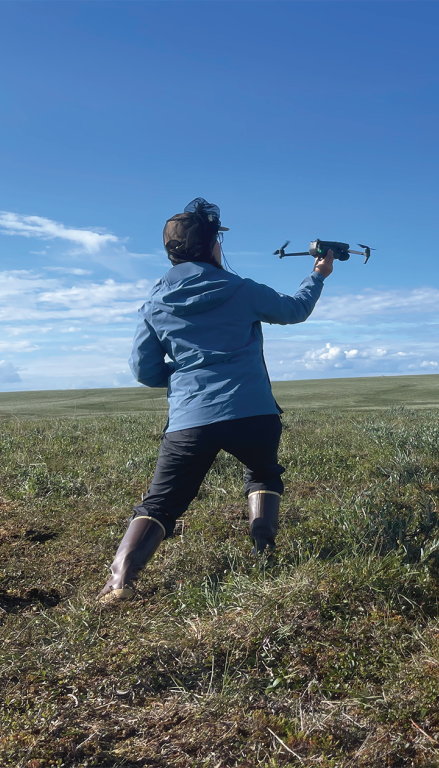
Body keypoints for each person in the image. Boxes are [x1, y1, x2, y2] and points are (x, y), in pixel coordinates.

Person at [98, 198, 333, 602]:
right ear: (211, 246)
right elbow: (295, 310)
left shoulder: (154, 302)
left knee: (161, 502)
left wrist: (185, 374)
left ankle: (119, 583)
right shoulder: (241, 289)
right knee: (262, 473)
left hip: (191, 417)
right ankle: (264, 550)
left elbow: (144, 371)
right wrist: (318, 274)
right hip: (254, 411)